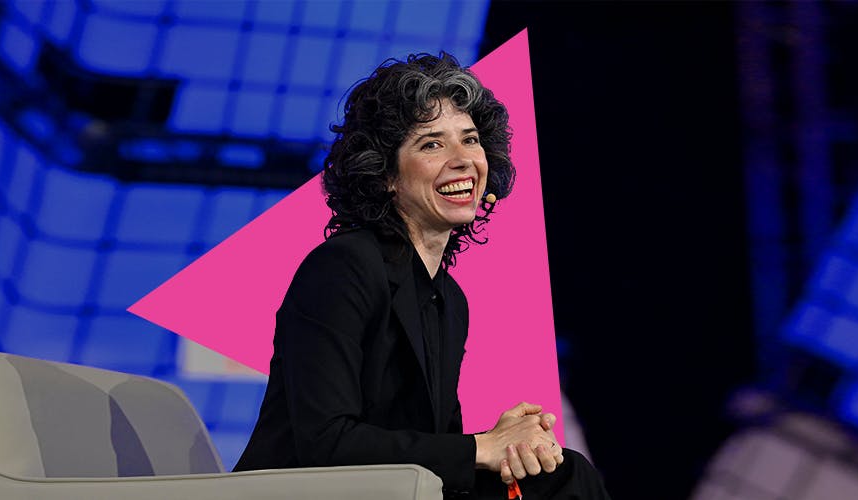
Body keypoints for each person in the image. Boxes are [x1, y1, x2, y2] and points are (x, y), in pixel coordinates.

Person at [234, 52, 610, 499]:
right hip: (305, 491)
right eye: (431, 144)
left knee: (561, 475)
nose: (462, 160)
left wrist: (505, 445)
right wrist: (481, 447)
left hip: (393, 491)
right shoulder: (341, 268)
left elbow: (437, 447)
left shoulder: (449, 299)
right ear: (387, 175)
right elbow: (326, 442)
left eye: (469, 140)